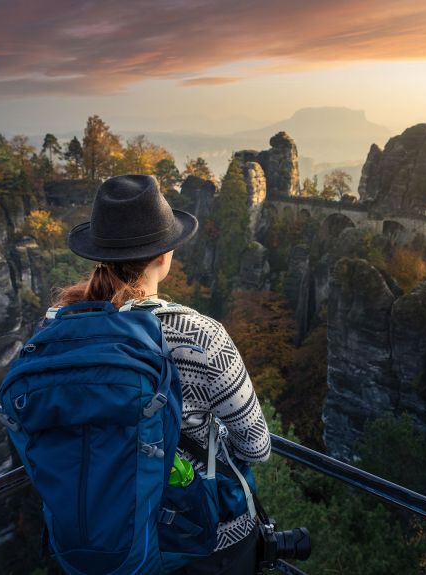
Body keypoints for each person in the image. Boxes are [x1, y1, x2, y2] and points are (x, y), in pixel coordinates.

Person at [55, 174, 271, 574]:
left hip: (101, 533)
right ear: (163, 255)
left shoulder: (58, 329)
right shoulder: (201, 336)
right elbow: (257, 446)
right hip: (199, 539)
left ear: (98, 254)